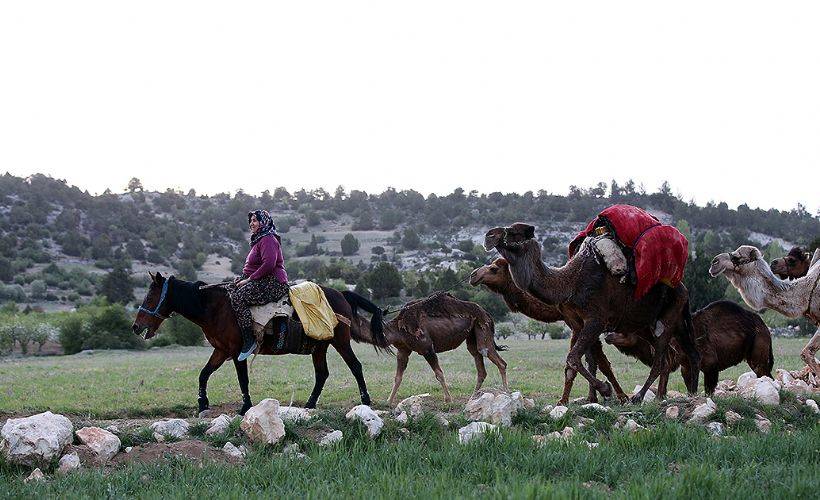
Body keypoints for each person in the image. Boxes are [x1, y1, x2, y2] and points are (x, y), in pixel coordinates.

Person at [229, 210, 289, 361]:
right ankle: (232, 340)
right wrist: (241, 279)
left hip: (273, 282)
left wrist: (249, 279)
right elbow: (253, 266)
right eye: (251, 220)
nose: (251, 223)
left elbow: (269, 264)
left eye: (255, 220)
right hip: (260, 280)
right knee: (228, 292)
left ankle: (249, 341)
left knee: (238, 298)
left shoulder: (268, 239)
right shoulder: (258, 239)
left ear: (263, 222)